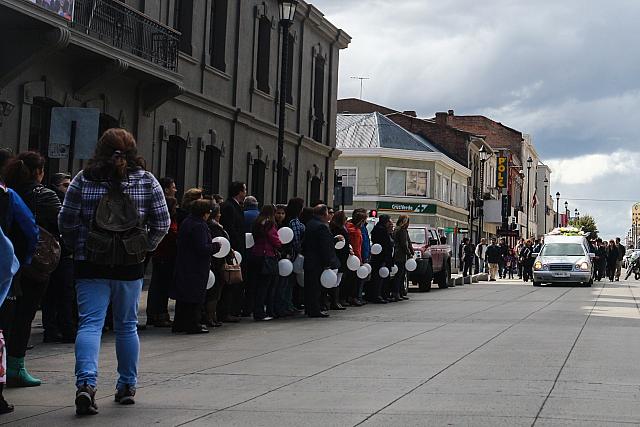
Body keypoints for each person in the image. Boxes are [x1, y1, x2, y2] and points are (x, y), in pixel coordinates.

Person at [59, 129, 169, 415]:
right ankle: (126, 385)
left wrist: (78, 246)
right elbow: (162, 223)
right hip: (130, 264)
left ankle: (86, 383)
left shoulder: (83, 179)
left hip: (91, 261)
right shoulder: (146, 181)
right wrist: (145, 249)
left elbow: (67, 220)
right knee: (126, 326)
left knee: (90, 325)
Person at [4, 151, 61, 388]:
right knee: (24, 316)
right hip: (32, 264)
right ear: (39, 172)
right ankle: (16, 367)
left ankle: (4, 366)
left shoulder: (7, 191)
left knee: (6, 316)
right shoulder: (45, 196)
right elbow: (47, 226)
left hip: (6, 261)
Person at [171, 199, 219, 334]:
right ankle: (193, 324)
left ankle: (179, 324)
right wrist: (216, 246)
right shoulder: (200, 226)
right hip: (196, 266)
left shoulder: (187, 222)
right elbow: (202, 248)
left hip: (184, 263)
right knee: (195, 296)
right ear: (204, 213)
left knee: (183, 297)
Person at [42, 172, 76, 344]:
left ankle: (54, 329)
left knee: (54, 294)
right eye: (65, 185)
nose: (68, 188)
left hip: (55, 252)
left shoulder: (57, 199)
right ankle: (64, 329)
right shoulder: (54, 200)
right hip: (58, 252)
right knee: (63, 293)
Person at [146, 197, 178, 327]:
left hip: (165, 256)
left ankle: (160, 314)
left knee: (161, 288)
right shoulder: (167, 222)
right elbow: (170, 235)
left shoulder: (172, 220)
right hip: (163, 256)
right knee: (160, 287)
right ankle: (157, 315)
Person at [303, 205, 339, 317]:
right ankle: (314, 309)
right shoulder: (321, 227)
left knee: (310, 286)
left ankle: (310, 308)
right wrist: (328, 262)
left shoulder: (310, 223)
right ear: (324, 214)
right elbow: (325, 246)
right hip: (317, 262)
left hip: (309, 259)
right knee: (315, 287)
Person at [219, 182, 246, 322]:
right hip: (233, 248)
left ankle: (232, 309)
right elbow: (231, 228)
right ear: (239, 192)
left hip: (237, 248)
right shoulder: (229, 207)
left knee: (234, 280)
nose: (245, 192)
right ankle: (226, 311)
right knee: (230, 279)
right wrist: (235, 246)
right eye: (244, 189)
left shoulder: (236, 206)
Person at [250, 205, 282, 321]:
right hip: (267, 256)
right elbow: (274, 239)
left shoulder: (257, 222)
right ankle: (261, 312)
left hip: (256, 254)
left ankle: (256, 310)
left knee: (257, 285)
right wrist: (280, 244)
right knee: (266, 285)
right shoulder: (270, 224)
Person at [204, 202, 232, 327]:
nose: (220, 215)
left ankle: (211, 316)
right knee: (214, 292)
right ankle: (210, 317)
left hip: (215, 261)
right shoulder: (215, 227)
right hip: (216, 262)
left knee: (215, 292)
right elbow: (220, 245)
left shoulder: (212, 226)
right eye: (219, 212)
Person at [285, 198, 305, 312]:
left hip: (292, 254)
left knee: (290, 282)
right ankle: (286, 305)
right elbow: (295, 240)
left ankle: (289, 304)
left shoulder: (294, 220)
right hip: (292, 254)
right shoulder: (294, 221)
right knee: (287, 283)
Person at [369, 215, 394, 304]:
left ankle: (383, 294)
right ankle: (377, 295)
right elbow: (385, 244)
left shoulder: (381, 229)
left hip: (383, 256)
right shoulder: (381, 230)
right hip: (381, 257)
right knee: (379, 277)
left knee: (383, 277)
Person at [329, 211, 349, 310]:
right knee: (336, 280)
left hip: (342, 255)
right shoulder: (338, 229)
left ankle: (336, 300)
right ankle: (334, 301)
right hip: (339, 256)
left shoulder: (339, 228)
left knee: (338, 279)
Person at [345, 210, 365, 307]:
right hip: (354, 258)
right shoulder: (356, 231)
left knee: (348, 279)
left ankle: (347, 297)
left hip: (349, 257)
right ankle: (352, 297)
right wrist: (360, 260)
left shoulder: (348, 228)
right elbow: (356, 247)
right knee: (353, 280)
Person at [393, 215, 412, 301]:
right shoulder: (400, 230)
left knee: (401, 275)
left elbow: (408, 242)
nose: (408, 224)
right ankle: (396, 293)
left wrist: (411, 250)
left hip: (401, 256)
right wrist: (408, 253)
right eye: (406, 222)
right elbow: (404, 244)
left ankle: (400, 292)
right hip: (400, 256)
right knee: (399, 275)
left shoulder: (403, 230)